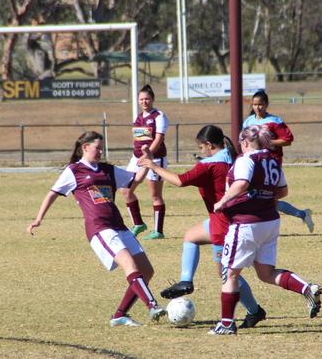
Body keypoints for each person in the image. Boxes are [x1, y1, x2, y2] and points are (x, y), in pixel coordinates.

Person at [26, 131, 166, 327]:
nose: (100, 151)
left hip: (119, 226)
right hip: (99, 228)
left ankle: (119, 315)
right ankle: (152, 306)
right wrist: (38, 219)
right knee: (130, 266)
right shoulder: (74, 171)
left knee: (147, 271)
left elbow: (134, 181)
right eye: (97, 148)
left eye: (101, 148)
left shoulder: (107, 169)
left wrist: (149, 160)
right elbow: (52, 194)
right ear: (85, 148)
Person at [138, 125, 267, 329]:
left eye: (201, 147)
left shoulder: (208, 165)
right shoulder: (230, 156)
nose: (200, 151)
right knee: (191, 236)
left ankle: (254, 311)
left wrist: (153, 166)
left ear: (208, 145)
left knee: (227, 275)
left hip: (223, 223)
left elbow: (180, 181)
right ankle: (185, 281)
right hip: (229, 216)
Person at [208, 125, 322, 335]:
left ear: (244, 143)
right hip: (270, 222)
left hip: (246, 224)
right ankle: (307, 288)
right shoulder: (272, 160)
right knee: (266, 273)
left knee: (230, 273)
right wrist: (264, 195)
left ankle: (226, 324)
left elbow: (241, 183)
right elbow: (283, 191)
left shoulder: (245, 159)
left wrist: (223, 201)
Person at [243, 90, 315, 233]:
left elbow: (288, 140)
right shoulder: (248, 121)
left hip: (271, 163)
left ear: (266, 104)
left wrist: (268, 142)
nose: (257, 108)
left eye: (261, 105)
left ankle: (264, 227)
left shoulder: (274, 121)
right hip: (253, 162)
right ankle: (301, 214)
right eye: (255, 104)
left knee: (267, 199)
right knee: (262, 198)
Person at [121, 84, 169, 240]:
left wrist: (149, 155)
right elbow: (139, 139)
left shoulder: (159, 116)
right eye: (141, 99)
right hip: (137, 158)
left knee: (155, 195)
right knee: (125, 189)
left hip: (155, 158)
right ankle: (138, 224)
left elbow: (159, 138)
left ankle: (158, 231)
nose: (144, 102)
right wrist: (139, 154)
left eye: (147, 98)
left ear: (153, 99)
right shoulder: (139, 117)